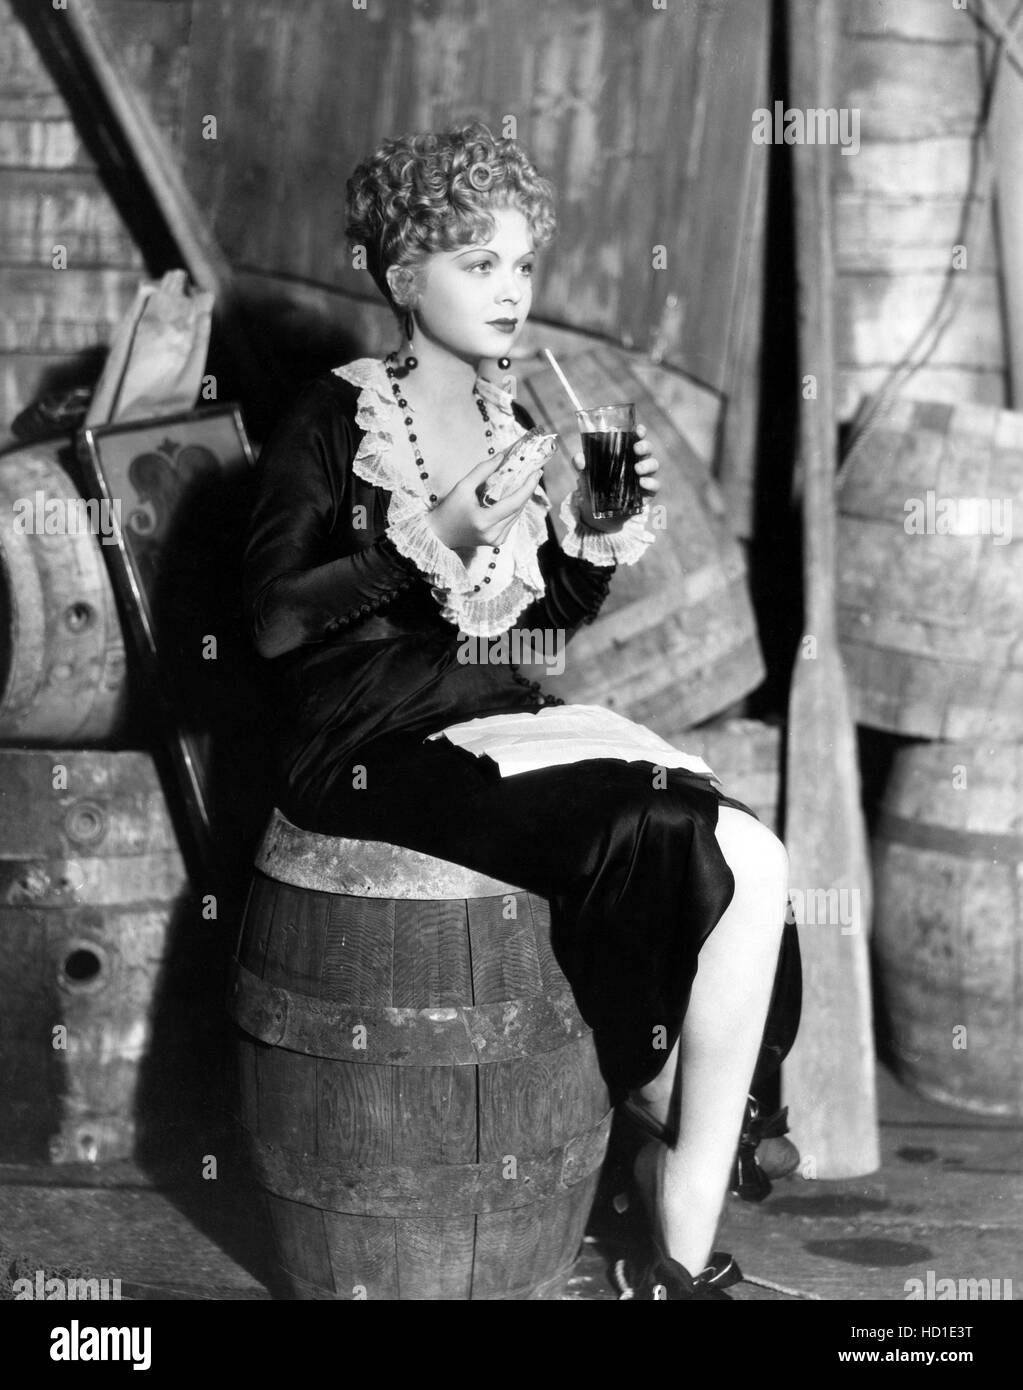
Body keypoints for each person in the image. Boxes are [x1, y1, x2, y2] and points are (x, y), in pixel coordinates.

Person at [242, 121, 800, 1301]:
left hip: (479, 711)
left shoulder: (511, 413)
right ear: (405, 278)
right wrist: (437, 529)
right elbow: (277, 626)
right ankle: (666, 1149)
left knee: (752, 846)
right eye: (475, 264)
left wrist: (588, 549)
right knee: (642, 829)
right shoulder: (329, 419)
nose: (509, 292)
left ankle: (685, 1223)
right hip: (361, 742)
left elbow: (520, 631)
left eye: (521, 265)